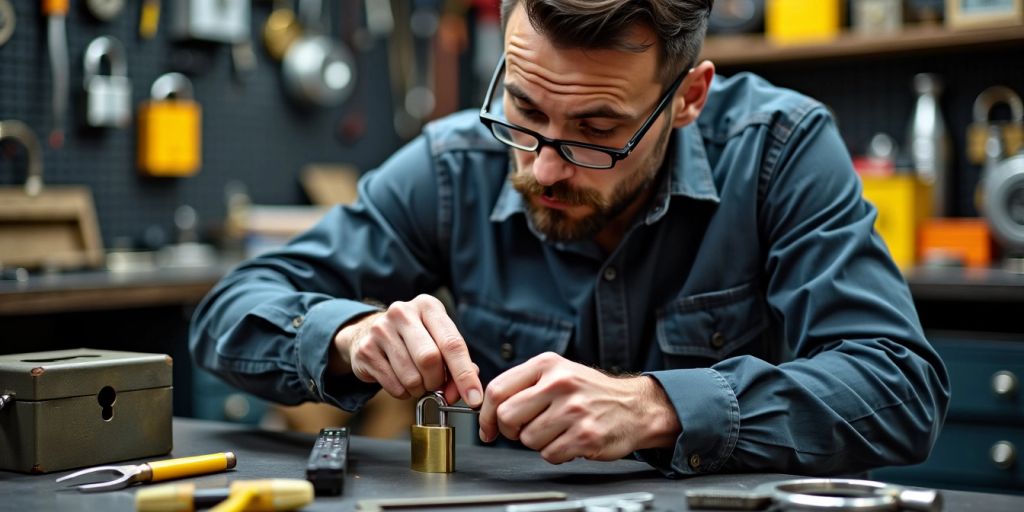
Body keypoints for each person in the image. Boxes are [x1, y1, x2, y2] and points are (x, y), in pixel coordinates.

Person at [191, 0, 949, 476]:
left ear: (687, 98)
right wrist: (348, 336)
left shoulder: (778, 149)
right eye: (524, 110)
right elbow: (229, 311)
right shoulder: (457, 163)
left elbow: (898, 387)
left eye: (597, 131)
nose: (543, 165)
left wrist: (656, 407)